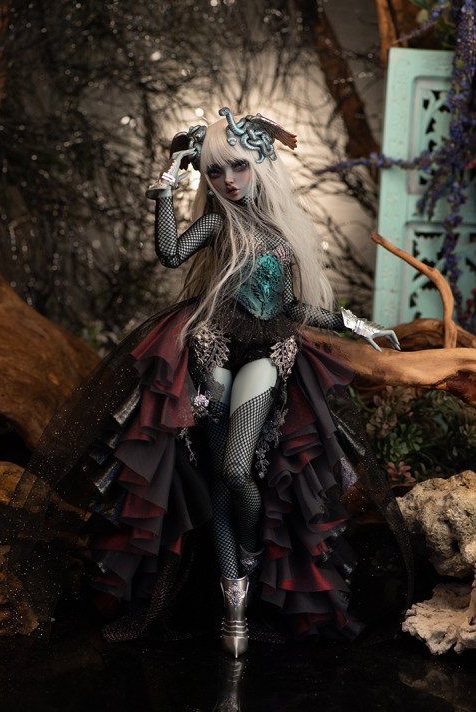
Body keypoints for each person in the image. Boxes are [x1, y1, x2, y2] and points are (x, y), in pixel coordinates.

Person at [80, 108, 402, 657]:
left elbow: (292, 307)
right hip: (212, 345)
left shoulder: (280, 233)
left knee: (236, 468)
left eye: (239, 167)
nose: (229, 181)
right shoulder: (216, 224)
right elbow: (170, 253)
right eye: (215, 172)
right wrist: (167, 186)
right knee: (217, 479)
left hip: (267, 349)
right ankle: (234, 607)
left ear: (262, 166)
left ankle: (249, 554)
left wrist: (357, 325)